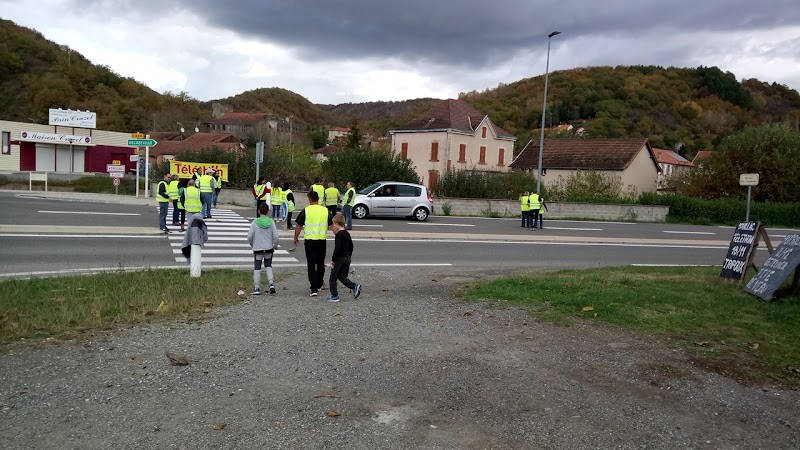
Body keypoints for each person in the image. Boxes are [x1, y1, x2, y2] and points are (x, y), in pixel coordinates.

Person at [293, 191, 332, 297]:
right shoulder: (325, 210)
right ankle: (319, 283)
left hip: (310, 241)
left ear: (309, 199)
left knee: (311, 264)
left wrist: (296, 237)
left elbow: (299, 226)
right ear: (318, 199)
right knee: (320, 263)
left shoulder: (306, 210)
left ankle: (313, 288)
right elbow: (332, 225)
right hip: (321, 240)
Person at [326, 213, 361, 303]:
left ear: (337, 224)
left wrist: (333, 259)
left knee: (333, 277)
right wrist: (349, 256)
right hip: (347, 257)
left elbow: (337, 248)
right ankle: (354, 286)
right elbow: (351, 246)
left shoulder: (339, 235)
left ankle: (335, 296)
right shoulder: (347, 234)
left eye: (333, 224)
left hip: (339, 258)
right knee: (341, 276)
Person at [247, 203, 280, 295]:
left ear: (258, 211)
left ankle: (257, 288)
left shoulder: (254, 222)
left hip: (257, 248)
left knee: (257, 268)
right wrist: (275, 245)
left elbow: (249, 236)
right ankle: (271, 284)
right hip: (269, 248)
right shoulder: (271, 222)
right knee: (268, 265)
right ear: (268, 212)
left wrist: (252, 244)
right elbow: (276, 236)